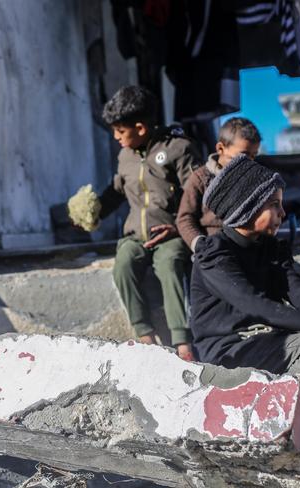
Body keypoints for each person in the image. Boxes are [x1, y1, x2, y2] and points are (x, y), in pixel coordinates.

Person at [190, 155, 300, 395]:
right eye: (274, 204)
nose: (283, 213)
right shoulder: (214, 255)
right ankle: (278, 421)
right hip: (226, 353)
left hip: (268, 342)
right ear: (247, 207)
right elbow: (255, 304)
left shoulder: (270, 248)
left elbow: (296, 289)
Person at [97, 86, 202, 359]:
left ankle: (182, 341)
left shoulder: (178, 149)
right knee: (123, 264)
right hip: (136, 235)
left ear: (141, 128)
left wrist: (180, 228)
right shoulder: (125, 157)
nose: (116, 137)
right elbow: (116, 192)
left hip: (171, 233)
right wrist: (93, 213)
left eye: (120, 131)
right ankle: (144, 333)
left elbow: (199, 193)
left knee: (170, 264)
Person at [177, 117, 261, 252]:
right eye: (243, 155)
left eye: (253, 156)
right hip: (213, 251)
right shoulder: (200, 178)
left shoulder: (255, 180)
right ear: (221, 148)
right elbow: (185, 218)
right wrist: (200, 244)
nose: (249, 162)